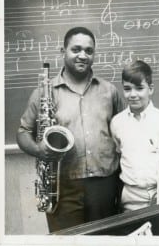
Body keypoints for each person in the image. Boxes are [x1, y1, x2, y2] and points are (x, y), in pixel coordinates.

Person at [16, 27, 125, 232]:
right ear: (62, 51)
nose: (83, 55)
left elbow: (126, 133)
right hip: (62, 185)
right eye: (76, 49)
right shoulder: (43, 92)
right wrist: (39, 150)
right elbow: (23, 132)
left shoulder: (109, 91)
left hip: (105, 185)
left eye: (89, 50)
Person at [110, 60, 159, 230]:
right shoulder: (117, 123)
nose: (133, 94)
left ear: (150, 88)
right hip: (130, 199)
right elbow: (120, 157)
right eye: (127, 89)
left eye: (139, 88)